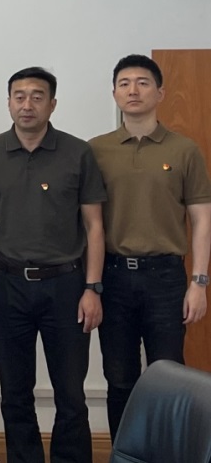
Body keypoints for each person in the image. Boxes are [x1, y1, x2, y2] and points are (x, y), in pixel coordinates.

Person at [0, 66, 106, 463]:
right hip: (7, 283)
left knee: (71, 392)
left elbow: (95, 226)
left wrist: (92, 288)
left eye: (37, 96)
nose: (27, 104)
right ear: (9, 102)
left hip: (66, 285)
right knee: (14, 392)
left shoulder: (78, 153)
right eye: (19, 96)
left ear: (52, 104)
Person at [88, 54, 211, 438]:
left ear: (160, 93)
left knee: (169, 375)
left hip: (166, 277)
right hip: (113, 277)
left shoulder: (184, 150)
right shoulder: (95, 150)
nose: (133, 90)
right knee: (119, 376)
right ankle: (125, 452)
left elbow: (202, 219)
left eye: (143, 83)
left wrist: (199, 282)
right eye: (124, 84)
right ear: (114, 93)